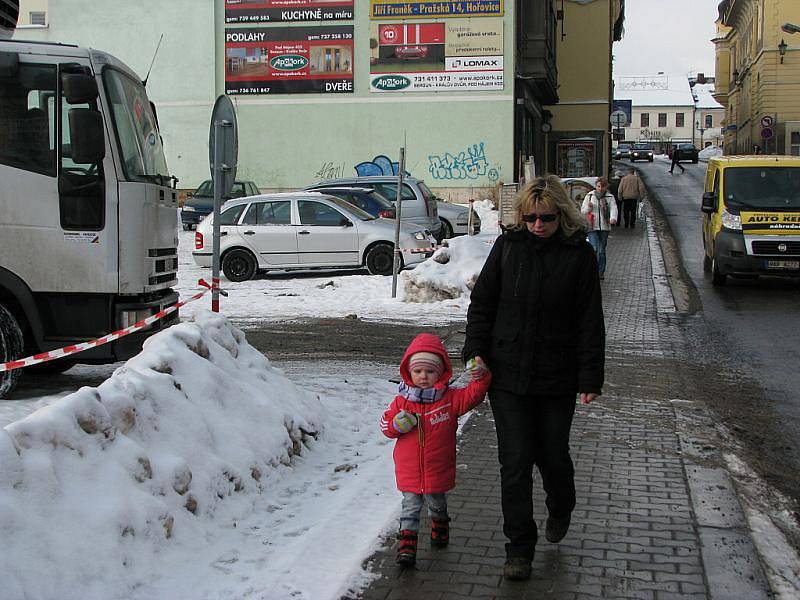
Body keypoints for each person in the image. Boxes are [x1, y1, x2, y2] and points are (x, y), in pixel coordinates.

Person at [462, 175, 605, 581]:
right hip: (507, 376)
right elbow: (483, 304)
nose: (538, 225)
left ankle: (561, 506)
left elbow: (589, 322)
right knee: (515, 462)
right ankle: (519, 548)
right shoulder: (508, 248)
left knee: (553, 458)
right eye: (530, 218)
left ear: (561, 215)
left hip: (556, 378)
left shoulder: (578, 257)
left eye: (546, 218)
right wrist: (474, 350)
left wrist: (590, 377)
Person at [380, 333, 491, 568]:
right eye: (418, 371)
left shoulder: (449, 400)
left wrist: (481, 377)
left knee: (436, 503)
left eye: (429, 372)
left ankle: (440, 525)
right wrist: (397, 425)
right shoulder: (401, 402)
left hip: (437, 468)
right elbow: (386, 426)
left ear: (440, 373)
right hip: (410, 470)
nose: (423, 377)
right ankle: (407, 548)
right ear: (409, 372)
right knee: (410, 507)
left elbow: (474, 395)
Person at [581, 177, 618, 279]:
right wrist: (588, 207)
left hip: (604, 226)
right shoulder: (590, 196)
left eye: (602, 186)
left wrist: (613, 218)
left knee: (601, 250)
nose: (600, 188)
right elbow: (583, 211)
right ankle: (593, 271)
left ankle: (600, 271)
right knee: (595, 248)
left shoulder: (610, 197)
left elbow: (614, 208)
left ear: (606, 187)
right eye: (598, 186)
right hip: (592, 226)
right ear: (595, 186)